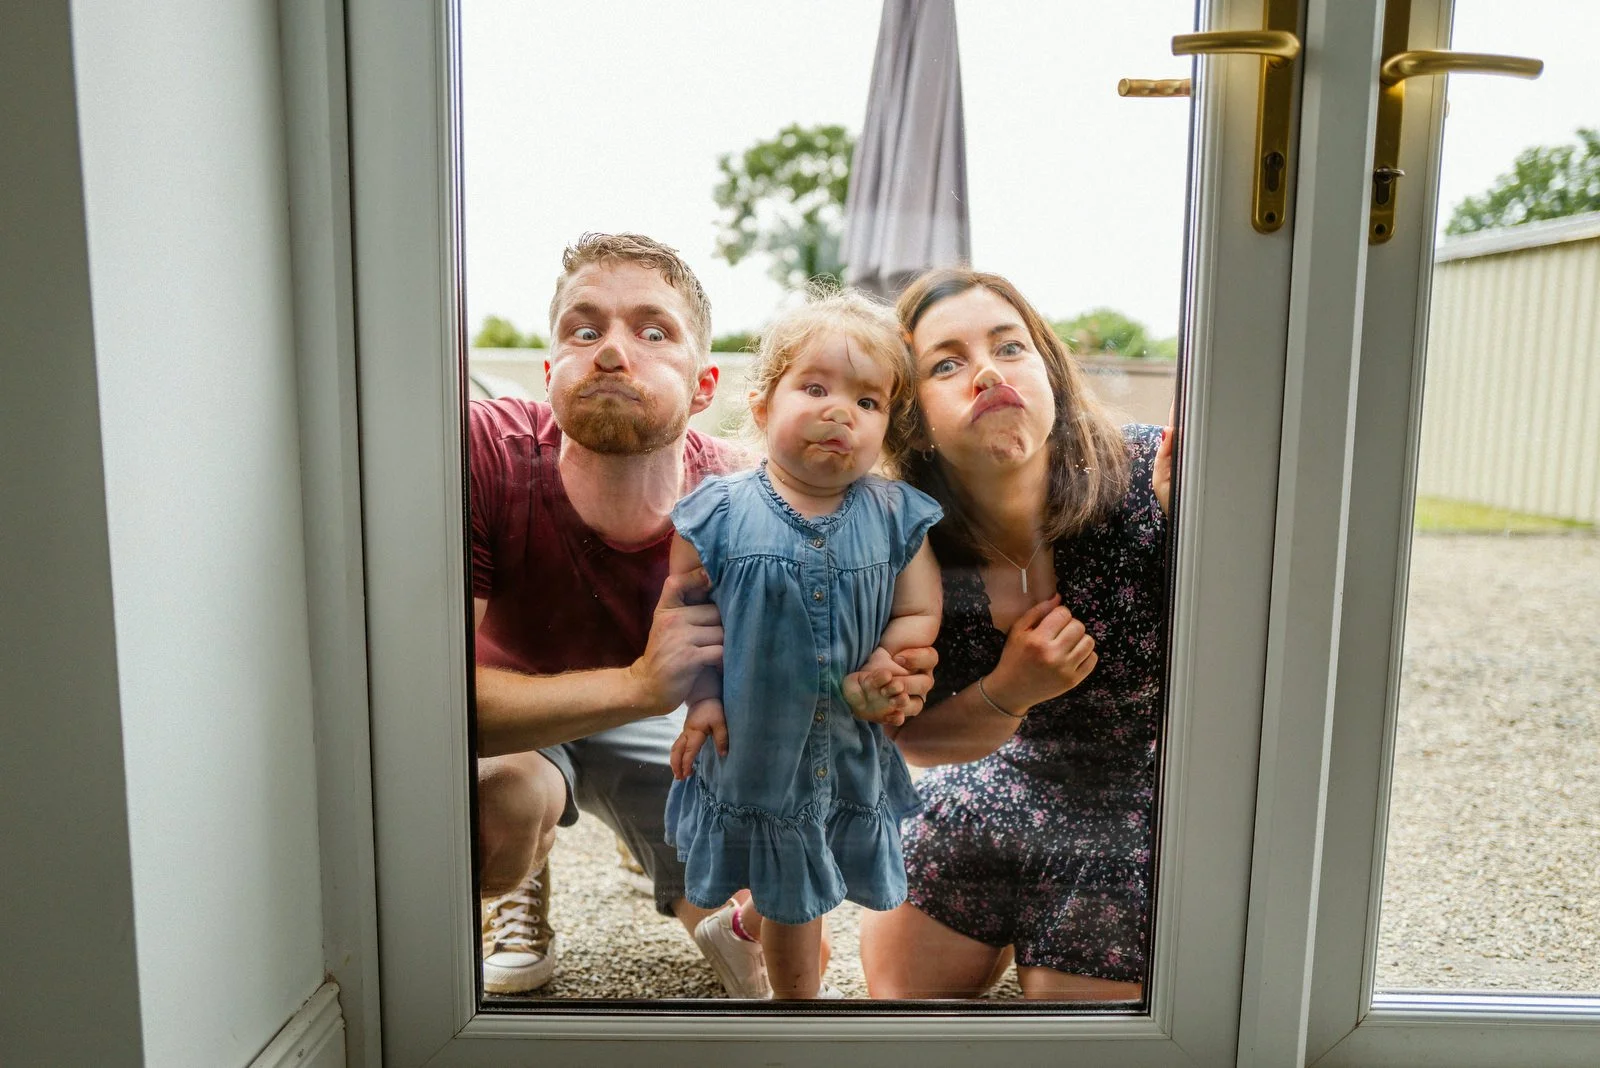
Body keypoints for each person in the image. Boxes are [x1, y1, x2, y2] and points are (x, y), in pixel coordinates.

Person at [469, 234, 938, 998]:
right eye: (584, 330)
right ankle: (528, 873)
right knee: (498, 811)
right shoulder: (485, 448)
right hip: (523, 712)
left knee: (769, 946)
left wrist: (888, 666)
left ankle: (642, 829)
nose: (614, 352)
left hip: (664, 714)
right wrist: (641, 684)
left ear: (705, 385)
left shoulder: (748, 501)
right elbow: (423, 710)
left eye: (653, 332)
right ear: (550, 365)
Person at [858, 268, 1174, 1002]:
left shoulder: (1151, 480)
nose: (988, 372)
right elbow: (914, 740)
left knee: (1073, 1034)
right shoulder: (909, 543)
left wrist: (1196, 527)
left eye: (1010, 346)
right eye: (947, 362)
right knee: (902, 1012)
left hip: (1149, 796)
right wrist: (1010, 691)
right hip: (1004, 781)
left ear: (1051, 373)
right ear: (911, 418)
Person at [664, 288, 944, 999]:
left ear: (886, 423)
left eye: (868, 401)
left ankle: (738, 928)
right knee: (799, 891)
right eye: (814, 387)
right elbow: (684, 615)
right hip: (754, 742)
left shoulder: (893, 516)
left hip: (846, 738)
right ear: (761, 407)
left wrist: (891, 657)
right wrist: (698, 700)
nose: (839, 410)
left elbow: (918, 609)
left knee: (816, 860)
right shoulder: (720, 512)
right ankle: (797, 1014)